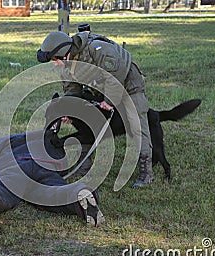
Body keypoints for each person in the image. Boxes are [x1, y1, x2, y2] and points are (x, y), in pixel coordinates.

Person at [37, 30, 153, 188]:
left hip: (129, 87)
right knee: (85, 121)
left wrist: (109, 101)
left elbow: (116, 75)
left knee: (137, 126)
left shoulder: (97, 49)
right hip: (103, 90)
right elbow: (73, 92)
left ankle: (146, 173)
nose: (55, 63)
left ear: (65, 54)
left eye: (55, 59)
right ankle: (84, 166)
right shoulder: (67, 66)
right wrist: (71, 112)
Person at [0, 129, 104, 235]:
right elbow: (64, 163)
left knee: (2, 189)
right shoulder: (49, 141)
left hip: (16, 163)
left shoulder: (6, 142)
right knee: (53, 191)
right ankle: (78, 194)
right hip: (47, 166)